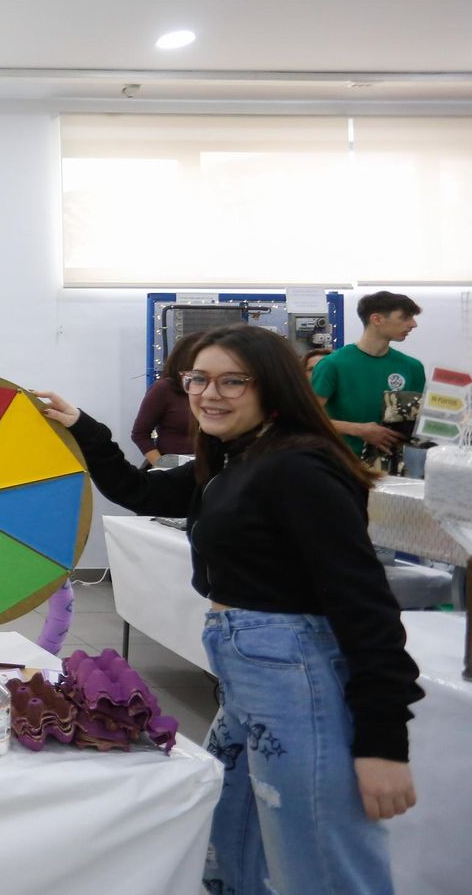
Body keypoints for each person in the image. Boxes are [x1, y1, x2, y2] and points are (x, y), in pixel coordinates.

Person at [34, 324, 420, 895]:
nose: (209, 394)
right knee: (230, 843)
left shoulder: (299, 468)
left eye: (233, 381)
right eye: (198, 379)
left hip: (293, 670)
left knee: (318, 856)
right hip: (246, 668)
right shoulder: (234, 459)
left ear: (273, 387)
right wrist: (82, 427)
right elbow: (140, 493)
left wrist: (383, 744)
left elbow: (366, 607)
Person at [311, 291, 425, 457]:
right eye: (405, 317)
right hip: (344, 465)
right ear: (377, 319)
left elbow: (419, 421)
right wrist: (358, 429)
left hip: (395, 470)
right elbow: (307, 418)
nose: (413, 324)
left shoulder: (412, 367)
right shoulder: (333, 365)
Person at [130, 331, 202, 465]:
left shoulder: (212, 390)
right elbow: (140, 434)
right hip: (172, 464)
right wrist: (163, 466)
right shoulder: (163, 388)